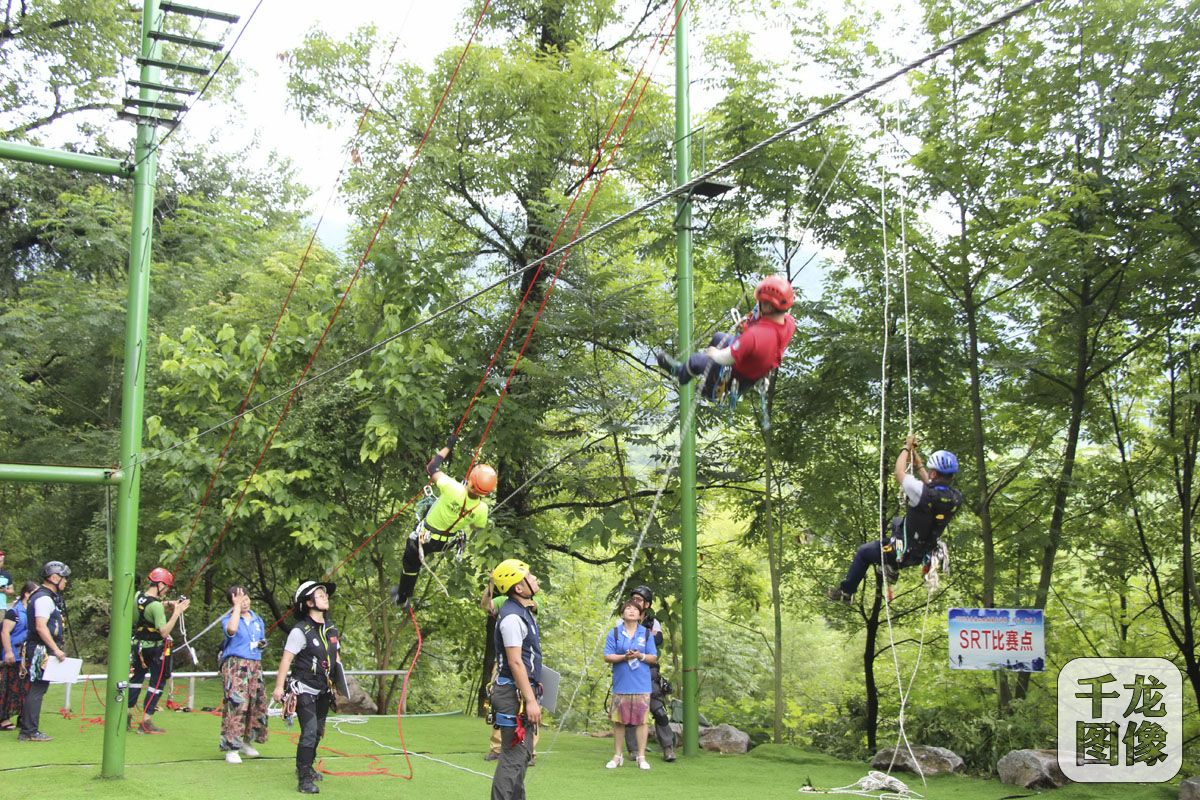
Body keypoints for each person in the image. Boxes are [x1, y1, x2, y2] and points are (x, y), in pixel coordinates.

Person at [827, 437, 963, 603]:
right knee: (897, 523)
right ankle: (891, 567)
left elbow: (899, 473)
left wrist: (906, 448)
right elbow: (932, 487)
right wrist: (918, 465)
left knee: (864, 552)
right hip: (921, 552)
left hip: (901, 551)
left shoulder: (919, 491)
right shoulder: (955, 498)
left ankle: (846, 592)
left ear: (933, 473)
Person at [393, 434, 497, 609]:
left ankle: (402, 597)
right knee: (416, 558)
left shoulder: (452, 488)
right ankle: (405, 593)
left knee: (411, 564)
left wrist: (448, 447)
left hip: (424, 539)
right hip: (444, 544)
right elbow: (475, 526)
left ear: (471, 480)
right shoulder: (482, 509)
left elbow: (431, 467)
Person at [655, 275, 796, 401]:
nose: (757, 306)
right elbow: (762, 342)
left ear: (768, 307)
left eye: (760, 303)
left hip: (739, 374)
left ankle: (692, 379)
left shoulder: (755, 336)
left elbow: (727, 358)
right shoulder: (789, 323)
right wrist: (746, 329)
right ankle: (710, 380)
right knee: (719, 337)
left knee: (696, 360)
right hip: (755, 368)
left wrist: (714, 353)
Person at [273, 580, 342, 795]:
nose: (325, 597)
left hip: (324, 689)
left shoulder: (331, 629)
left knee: (318, 731)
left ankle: (308, 767)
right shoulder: (299, 631)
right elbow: (286, 660)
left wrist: (339, 682)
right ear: (309, 602)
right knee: (310, 731)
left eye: (325, 595)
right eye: (320, 595)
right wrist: (278, 687)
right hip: (303, 688)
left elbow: (336, 657)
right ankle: (303, 778)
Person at [488, 559, 542, 800]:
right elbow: (515, 662)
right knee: (513, 756)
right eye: (528, 577)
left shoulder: (523, 611)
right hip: (513, 695)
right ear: (518, 588)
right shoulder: (512, 618)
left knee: (522, 755)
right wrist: (530, 701)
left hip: (519, 692)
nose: (534, 579)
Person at [127, 567, 190, 734]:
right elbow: (163, 632)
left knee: (136, 678)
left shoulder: (138, 596)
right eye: (166, 587)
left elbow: (150, 606)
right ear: (160, 584)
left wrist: (169, 603)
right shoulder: (156, 606)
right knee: (157, 682)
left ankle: (126, 715)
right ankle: (146, 721)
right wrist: (177, 612)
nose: (166, 590)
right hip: (154, 650)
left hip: (138, 646)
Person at [604, 598, 658, 770]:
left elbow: (653, 657)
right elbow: (607, 656)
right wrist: (624, 657)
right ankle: (617, 755)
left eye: (635, 609)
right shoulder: (614, 633)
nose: (631, 611)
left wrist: (639, 655)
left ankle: (641, 757)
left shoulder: (646, 634)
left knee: (642, 721)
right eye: (628, 608)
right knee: (619, 721)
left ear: (640, 615)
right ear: (622, 613)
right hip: (621, 683)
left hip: (641, 684)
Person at [20, 561, 70, 742]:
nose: (66, 582)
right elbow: (41, 627)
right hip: (41, 650)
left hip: (40, 648)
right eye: (64, 578)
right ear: (54, 578)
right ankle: (29, 731)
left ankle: (27, 729)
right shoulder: (44, 598)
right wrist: (55, 649)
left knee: (37, 688)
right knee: (37, 689)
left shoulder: (45, 597)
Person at [624, 585, 675, 762]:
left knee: (658, 710)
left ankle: (668, 747)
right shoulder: (623, 620)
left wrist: (642, 634)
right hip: (630, 671)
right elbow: (624, 642)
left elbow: (658, 639)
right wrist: (645, 635)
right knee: (631, 710)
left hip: (649, 671)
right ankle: (633, 749)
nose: (635, 602)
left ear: (647, 604)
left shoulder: (653, 622)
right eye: (633, 599)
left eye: (639, 600)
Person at [218, 585, 268, 764]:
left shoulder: (257, 619)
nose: (244, 602)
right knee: (237, 702)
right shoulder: (229, 618)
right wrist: (237, 608)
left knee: (256, 703)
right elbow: (231, 631)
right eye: (238, 600)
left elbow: (260, 639)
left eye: (245, 598)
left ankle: (247, 741)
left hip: (255, 663)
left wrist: (262, 644)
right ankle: (231, 747)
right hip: (236, 664)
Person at [1, 581, 37, 731]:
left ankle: (23, 717)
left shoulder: (34, 611)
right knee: (8, 688)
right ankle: (3, 718)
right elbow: (5, 632)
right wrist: (8, 651)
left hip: (28, 654)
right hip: (14, 654)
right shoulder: (14, 612)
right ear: (26, 594)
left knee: (26, 688)